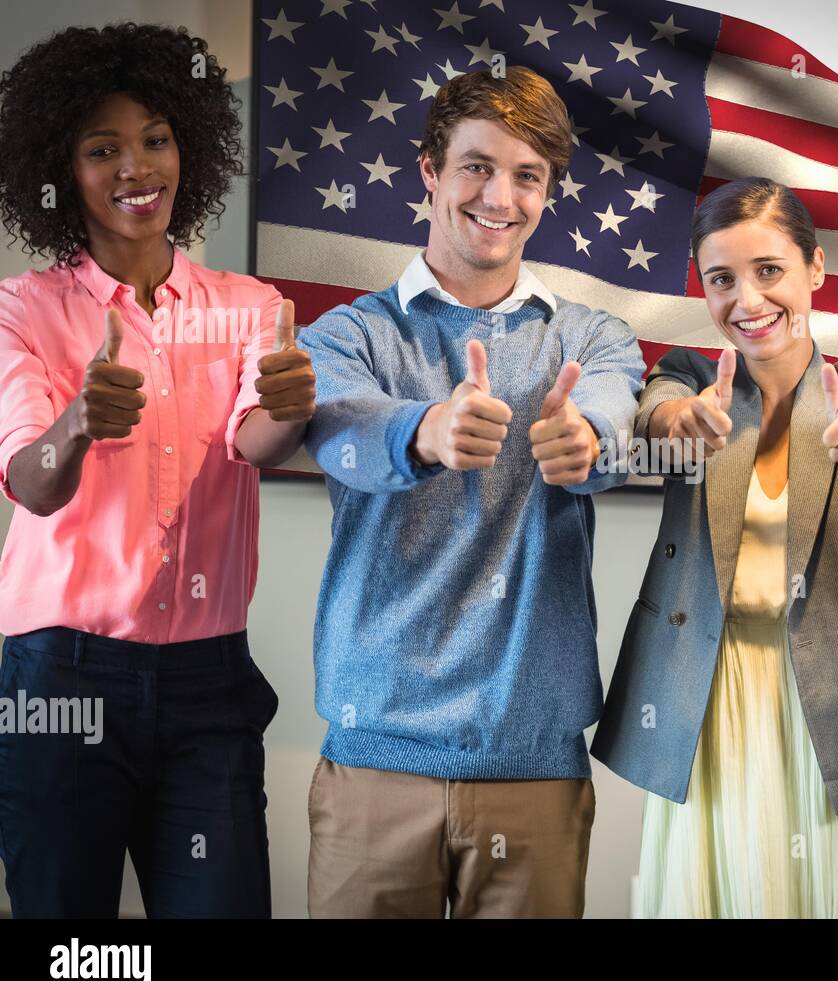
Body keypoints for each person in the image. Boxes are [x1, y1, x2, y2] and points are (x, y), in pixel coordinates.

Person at [298, 66, 644, 919]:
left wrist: (586, 442)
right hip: (374, 758)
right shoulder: (347, 333)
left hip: (533, 768)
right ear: (428, 170)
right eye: (478, 167)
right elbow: (341, 430)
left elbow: (610, 418)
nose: (501, 195)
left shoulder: (591, 336)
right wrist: (424, 431)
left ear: (549, 192)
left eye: (528, 176)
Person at [0, 23, 315, 917]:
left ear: (191, 143)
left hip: (208, 687)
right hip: (59, 680)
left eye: (156, 138)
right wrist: (77, 420)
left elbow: (257, 441)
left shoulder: (251, 306)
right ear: (59, 169)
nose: (138, 168)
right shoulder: (20, 311)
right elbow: (31, 482)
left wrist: (289, 408)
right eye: (103, 149)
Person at [590, 177, 838, 918]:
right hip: (710, 695)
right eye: (722, 279)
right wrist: (678, 424)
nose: (748, 300)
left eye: (770, 271)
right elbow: (656, 417)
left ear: (815, 268)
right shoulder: (692, 380)